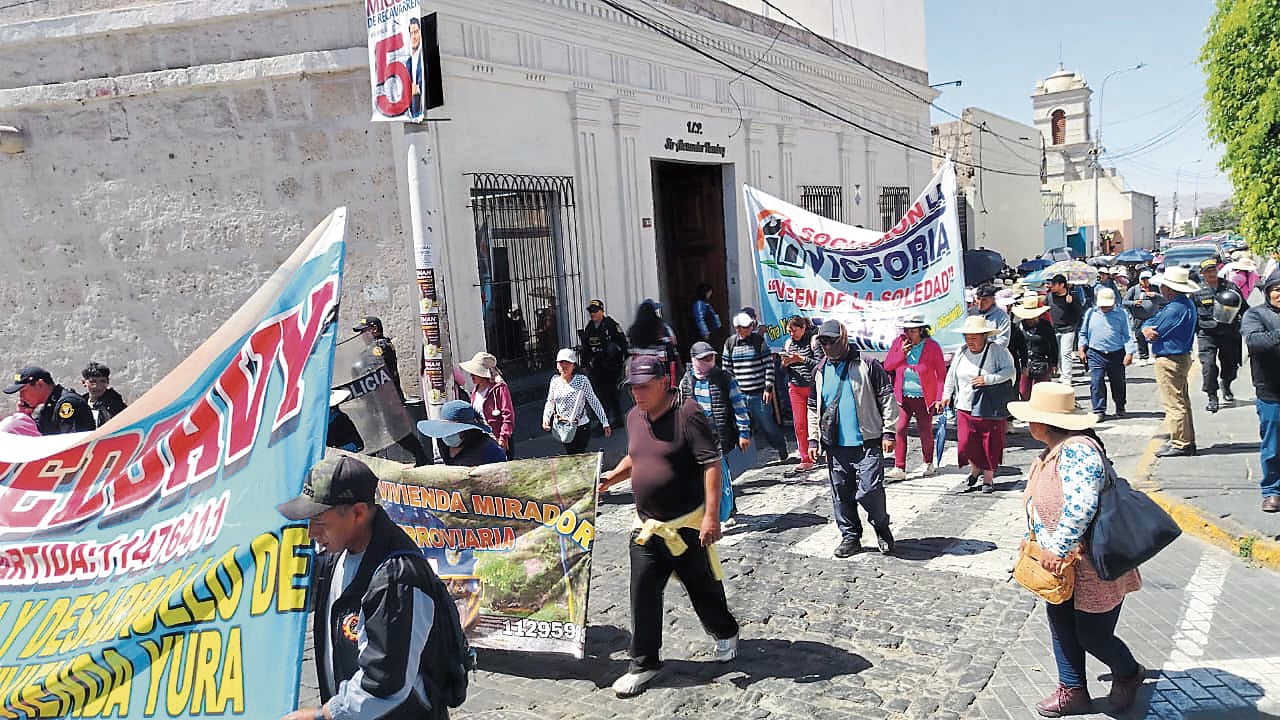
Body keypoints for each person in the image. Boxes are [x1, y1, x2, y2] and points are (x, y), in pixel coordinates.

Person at [599, 355, 739, 698]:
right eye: (632, 387)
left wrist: (710, 516)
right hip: (646, 527)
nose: (637, 394)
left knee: (701, 588)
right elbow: (637, 456)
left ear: (664, 381)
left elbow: (711, 463)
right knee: (642, 592)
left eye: (643, 387)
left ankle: (725, 631)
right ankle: (644, 663)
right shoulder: (634, 417)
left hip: (686, 525)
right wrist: (609, 479)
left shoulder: (688, 414)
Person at [278, 456, 456, 720]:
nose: (310, 532)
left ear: (358, 513)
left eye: (319, 521)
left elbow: (385, 684)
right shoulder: (338, 551)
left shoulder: (397, 578)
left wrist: (321, 715)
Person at [1007, 382, 1145, 717]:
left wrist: (1057, 547)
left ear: (1044, 423)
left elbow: (1081, 506)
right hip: (1064, 564)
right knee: (1061, 623)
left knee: (1093, 635)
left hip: (1092, 563)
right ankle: (1073, 690)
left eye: (1032, 418)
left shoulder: (1078, 451)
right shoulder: (1053, 450)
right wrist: (1035, 538)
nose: (1028, 424)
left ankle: (1129, 673)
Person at [808, 319, 899, 557]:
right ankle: (850, 536)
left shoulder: (867, 364)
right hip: (835, 446)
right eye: (823, 342)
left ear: (844, 338)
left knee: (869, 490)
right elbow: (812, 407)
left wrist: (889, 431)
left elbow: (887, 397)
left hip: (867, 443)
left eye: (831, 341)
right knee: (841, 494)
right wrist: (813, 439)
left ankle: (881, 525)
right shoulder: (819, 371)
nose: (827, 346)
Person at [939, 316, 1016, 493]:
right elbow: (952, 374)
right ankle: (975, 468)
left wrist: (988, 379)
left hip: (988, 405)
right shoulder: (961, 351)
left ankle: (988, 478)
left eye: (974, 337)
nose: (970, 341)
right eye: (967, 337)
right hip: (964, 406)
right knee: (967, 443)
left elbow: (1009, 371)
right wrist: (946, 395)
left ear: (984, 336)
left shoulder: (997, 351)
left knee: (989, 442)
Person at [1142, 266, 1201, 457]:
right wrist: (1146, 328)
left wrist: (1146, 330)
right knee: (1181, 400)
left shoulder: (1175, 308)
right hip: (1180, 355)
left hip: (1170, 357)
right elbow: (1150, 324)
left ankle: (1181, 442)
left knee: (1174, 403)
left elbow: (1155, 329)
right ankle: (1185, 439)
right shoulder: (1185, 304)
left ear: (1169, 289)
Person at [882, 314, 945, 480]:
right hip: (903, 396)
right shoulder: (898, 343)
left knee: (925, 430)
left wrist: (940, 397)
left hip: (925, 397)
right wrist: (901, 354)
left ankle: (928, 462)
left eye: (913, 330)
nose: (909, 333)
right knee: (900, 428)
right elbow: (888, 365)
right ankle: (899, 467)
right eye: (907, 330)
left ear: (921, 330)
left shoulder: (932, 346)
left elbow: (941, 375)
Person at [723, 312, 789, 464]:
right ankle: (744, 459)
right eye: (745, 327)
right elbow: (727, 369)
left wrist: (768, 388)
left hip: (758, 393)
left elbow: (768, 365)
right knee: (742, 427)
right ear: (737, 328)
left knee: (768, 425)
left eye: (749, 327)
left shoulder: (759, 341)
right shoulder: (730, 344)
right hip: (739, 394)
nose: (748, 329)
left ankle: (780, 446)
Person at [1240, 270, 1280, 513]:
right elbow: (1255, 342)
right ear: (1268, 292)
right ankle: (1273, 490)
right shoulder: (1256, 314)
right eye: (1276, 290)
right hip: (1271, 391)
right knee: (1273, 445)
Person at [1191, 258, 1246, 413]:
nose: (1211, 273)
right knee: (1208, 366)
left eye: (1213, 270)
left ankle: (1226, 384)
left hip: (1229, 332)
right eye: (1207, 271)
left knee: (1231, 365)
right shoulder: (1197, 291)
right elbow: (1192, 314)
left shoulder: (1230, 287)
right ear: (1202, 274)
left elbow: (1244, 308)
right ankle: (1212, 396)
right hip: (1207, 333)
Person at [679, 341, 751, 458]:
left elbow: (740, 407)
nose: (709, 360)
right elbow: (681, 412)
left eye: (711, 357)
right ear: (694, 360)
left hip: (722, 437)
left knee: (724, 471)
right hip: (699, 439)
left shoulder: (725, 379)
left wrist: (744, 433)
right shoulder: (686, 382)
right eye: (704, 358)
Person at [1077, 288, 1136, 418]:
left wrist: (1129, 353)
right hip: (1095, 353)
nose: (1105, 307)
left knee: (1118, 382)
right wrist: (1081, 348)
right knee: (1096, 382)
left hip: (1116, 353)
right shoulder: (1091, 313)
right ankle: (1099, 410)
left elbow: (1128, 335)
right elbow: (1083, 333)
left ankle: (1120, 407)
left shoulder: (1121, 314)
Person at [542, 348, 611, 454]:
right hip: (563, 427)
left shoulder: (582, 381)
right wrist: (546, 418)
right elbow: (550, 402)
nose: (563, 366)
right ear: (557, 365)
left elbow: (594, 401)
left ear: (573, 365)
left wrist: (604, 422)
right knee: (572, 456)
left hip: (581, 427)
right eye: (561, 363)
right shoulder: (554, 381)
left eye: (567, 363)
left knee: (577, 456)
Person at [2, 366, 94, 436]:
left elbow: (70, 443)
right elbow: (38, 434)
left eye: (23, 391)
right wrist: (26, 414)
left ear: (40, 384)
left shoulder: (67, 404)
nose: (21, 396)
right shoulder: (49, 406)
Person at [779, 316, 820, 475]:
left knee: (818, 422)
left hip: (813, 388)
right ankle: (805, 458)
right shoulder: (789, 344)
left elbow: (819, 364)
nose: (791, 334)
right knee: (800, 424)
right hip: (795, 388)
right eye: (789, 331)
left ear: (803, 328)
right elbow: (782, 371)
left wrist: (801, 359)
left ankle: (822, 451)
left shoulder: (814, 341)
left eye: (794, 330)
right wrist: (784, 364)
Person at [580, 299, 628, 426]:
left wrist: (622, 356)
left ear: (602, 311)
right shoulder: (590, 327)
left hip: (611, 366)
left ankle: (613, 420)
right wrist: (585, 364)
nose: (593, 314)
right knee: (600, 393)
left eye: (595, 311)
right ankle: (605, 421)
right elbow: (585, 347)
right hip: (597, 367)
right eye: (591, 312)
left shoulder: (611, 325)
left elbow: (623, 342)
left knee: (610, 392)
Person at [418, 400, 508, 466]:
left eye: (453, 431)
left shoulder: (490, 450)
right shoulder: (442, 442)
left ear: (468, 431)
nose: (447, 435)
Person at [458, 352, 514, 458]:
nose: (471, 376)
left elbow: (508, 414)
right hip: (482, 440)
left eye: (474, 373)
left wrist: (503, 437)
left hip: (498, 439)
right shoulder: (475, 390)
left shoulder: (499, 389)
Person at [1011, 296, 1060, 401]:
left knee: (1041, 394)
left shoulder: (1046, 326)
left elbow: (1053, 345)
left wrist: (1054, 363)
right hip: (1024, 364)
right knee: (1024, 393)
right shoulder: (1018, 327)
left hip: (1042, 362)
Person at [628, 299, 678, 387]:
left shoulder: (633, 331)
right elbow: (672, 344)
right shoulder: (661, 328)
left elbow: (631, 353)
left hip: (639, 374)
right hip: (658, 374)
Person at [354, 316, 404, 401]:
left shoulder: (380, 347)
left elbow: (373, 370)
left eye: (363, 331)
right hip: (379, 399)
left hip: (387, 400)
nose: (361, 335)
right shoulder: (375, 346)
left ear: (374, 329)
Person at [1047, 274, 1084, 383]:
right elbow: (1044, 309)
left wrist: (1071, 303)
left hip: (1068, 329)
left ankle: (1067, 377)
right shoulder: (1049, 296)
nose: (1051, 286)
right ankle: (1062, 374)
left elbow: (1079, 312)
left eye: (1054, 284)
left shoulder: (1072, 295)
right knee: (1057, 353)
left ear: (1062, 285)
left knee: (1066, 353)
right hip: (1054, 329)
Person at [1122, 270, 1162, 365]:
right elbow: (1124, 302)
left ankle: (1155, 355)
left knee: (1154, 336)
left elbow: (1164, 299)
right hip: (1139, 318)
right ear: (1140, 280)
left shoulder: (1155, 288)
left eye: (1147, 279)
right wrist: (1134, 303)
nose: (1145, 281)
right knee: (1140, 337)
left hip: (1153, 317)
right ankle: (1143, 357)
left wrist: (1155, 295)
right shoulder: (1134, 289)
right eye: (1143, 279)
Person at [80, 361, 127, 428]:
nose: (98, 386)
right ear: (84, 382)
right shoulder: (81, 404)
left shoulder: (114, 405)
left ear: (107, 382)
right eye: (93, 381)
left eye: (102, 381)